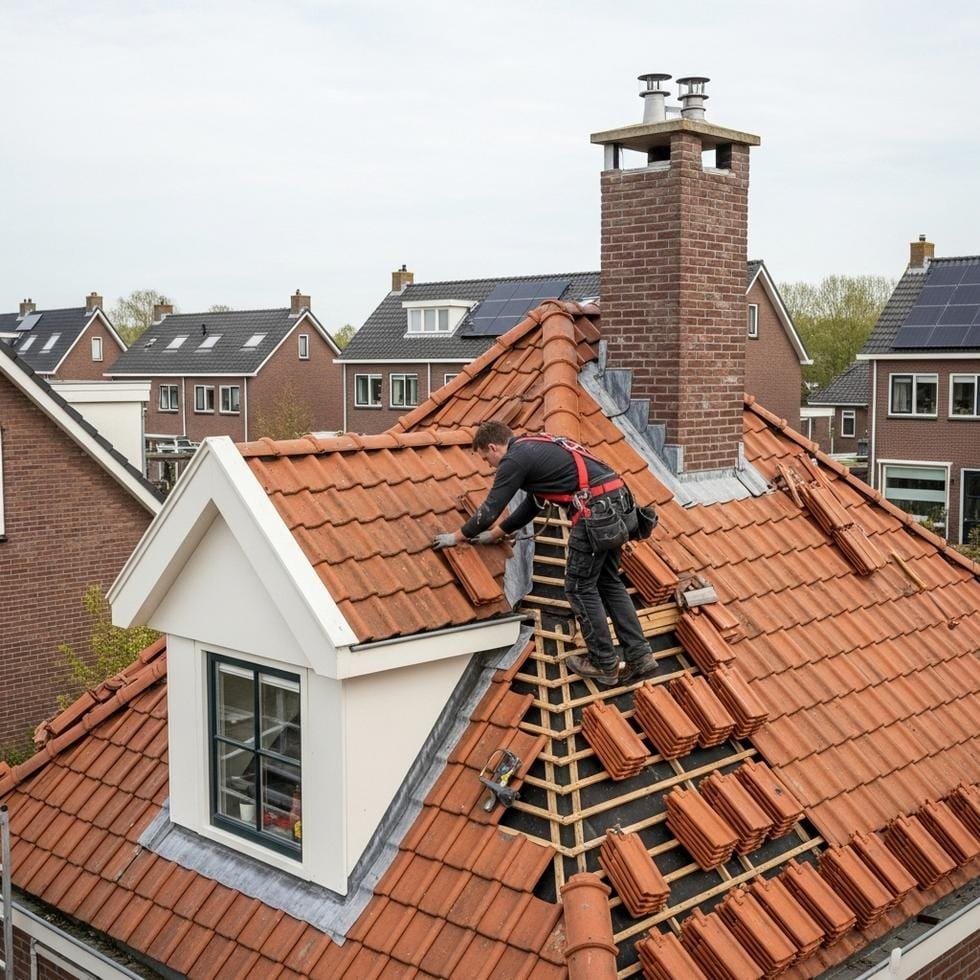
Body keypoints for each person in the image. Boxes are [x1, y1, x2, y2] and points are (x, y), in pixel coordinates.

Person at [433, 420, 657, 687]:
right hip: (619, 506)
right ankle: (640, 656)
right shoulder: (536, 448)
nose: (489, 465)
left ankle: (603, 664)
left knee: (579, 587)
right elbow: (534, 503)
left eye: (486, 458)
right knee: (608, 583)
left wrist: (457, 536)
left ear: (493, 447)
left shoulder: (513, 460)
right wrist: (498, 532)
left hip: (596, 515)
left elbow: (490, 508)